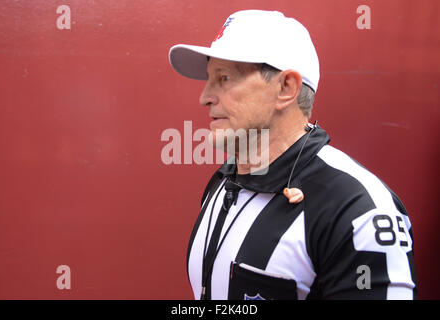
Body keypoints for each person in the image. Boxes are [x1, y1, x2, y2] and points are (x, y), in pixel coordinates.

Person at [168, 9, 416, 300]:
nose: (204, 97)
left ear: (286, 88)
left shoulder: (357, 209)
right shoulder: (225, 181)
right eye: (209, 79)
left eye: (224, 78)